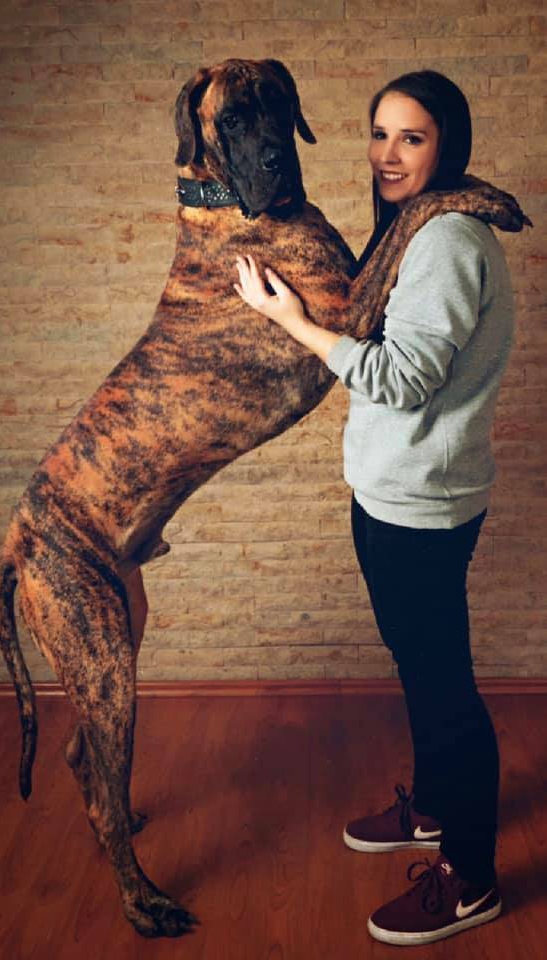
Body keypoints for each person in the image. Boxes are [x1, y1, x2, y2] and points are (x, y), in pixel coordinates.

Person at [234, 70, 517, 946]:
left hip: (421, 505)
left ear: (447, 146)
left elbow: (400, 377)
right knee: (419, 667)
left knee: (444, 689)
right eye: (380, 133)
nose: (388, 155)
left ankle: (470, 879)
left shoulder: (446, 239)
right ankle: (433, 808)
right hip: (396, 492)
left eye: (412, 137)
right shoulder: (415, 227)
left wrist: (290, 320)